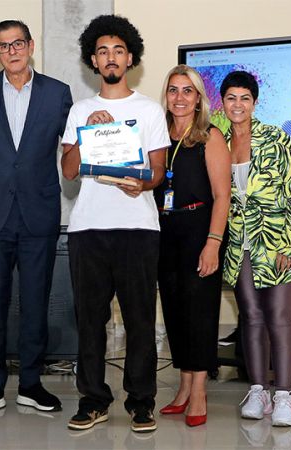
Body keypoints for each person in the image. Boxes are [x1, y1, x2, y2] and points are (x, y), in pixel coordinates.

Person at [61, 15, 169, 433]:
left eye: (118, 51)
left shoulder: (149, 110)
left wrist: (142, 183)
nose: (111, 57)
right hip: (88, 228)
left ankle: (141, 402)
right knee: (90, 321)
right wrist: (86, 134)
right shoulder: (80, 110)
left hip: (138, 227)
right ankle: (93, 400)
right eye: (103, 51)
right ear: (93, 59)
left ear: (130, 58)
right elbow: (69, 170)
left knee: (140, 320)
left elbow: (157, 172)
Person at [0, 20, 73, 417]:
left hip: (38, 214)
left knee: (35, 302)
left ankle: (31, 383)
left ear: (31, 46)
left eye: (17, 43)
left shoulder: (57, 93)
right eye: (3, 45)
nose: (11, 51)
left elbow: (72, 146)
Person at [220, 70, 291, 427]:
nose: (238, 105)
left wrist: (288, 243)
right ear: (222, 103)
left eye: (245, 98)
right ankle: (258, 390)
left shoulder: (276, 138)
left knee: (280, 316)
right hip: (240, 243)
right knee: (251, 316)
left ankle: (285, 395)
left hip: (279, 241)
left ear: (254, 103)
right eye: (231, 98)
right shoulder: (219, 143)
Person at [154, 65, 231, 427]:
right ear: (166, 96)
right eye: (173, 90)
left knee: (199, 311)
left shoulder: (210, 136)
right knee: (174, 310)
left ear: (199, 98)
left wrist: (213, 243)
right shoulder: (158, 135)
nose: (180, 97)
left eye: (188, 91)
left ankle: (199, 390)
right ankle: (184, 387)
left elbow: (222, 195)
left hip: (200, 229)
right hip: (164, 230)